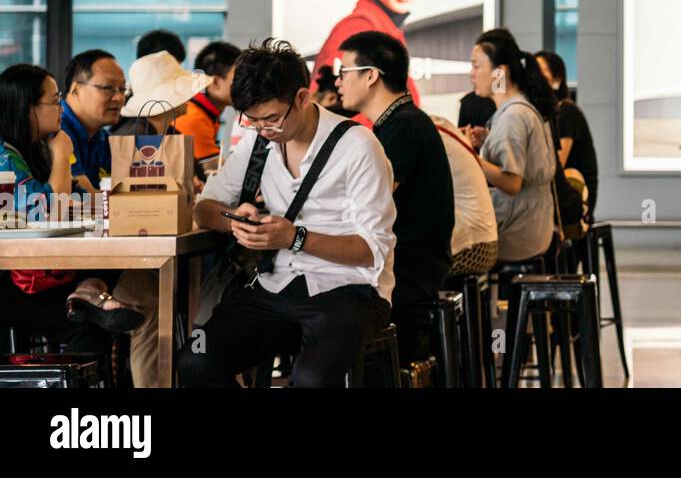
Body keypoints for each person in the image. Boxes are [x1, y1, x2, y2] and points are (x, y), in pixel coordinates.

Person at [179, 39, 396, 388]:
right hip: (275, 287)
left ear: (301, 98)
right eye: (253, 120)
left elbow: (373, 251)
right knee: (196, 359)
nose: (265, 130)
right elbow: (205, 208)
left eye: (272, 118)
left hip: (350, 291)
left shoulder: (357, 147)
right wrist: (235, 219)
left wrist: (293, 238)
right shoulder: (258, 141)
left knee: (311, 379)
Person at [0, 64, 143, 360]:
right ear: (27, 108)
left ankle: (88, 292)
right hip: (10, 282)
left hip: (41, 272)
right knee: (90, 323)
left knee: (114, 257)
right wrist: (63, 153)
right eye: (54, 101)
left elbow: (82, 202)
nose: (61, 108)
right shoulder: (4, 155)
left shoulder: (36, 150)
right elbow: (48, 213)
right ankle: (87, 294)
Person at [336, 30, 455, 362]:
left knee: (318, 305)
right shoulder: (396, 122)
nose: (338, 83)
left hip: (409, 271)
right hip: (403, 261)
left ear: (371, 75)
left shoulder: (405, 127)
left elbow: (370, 200)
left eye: (344, 72)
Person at [111, 50, 212, 387]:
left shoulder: (160, 131)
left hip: (147, 245)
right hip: (132, 250)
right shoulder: (136, 135)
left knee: (158, 303)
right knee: (151, 308)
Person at [467, 28, 557, 265]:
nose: (471, 74)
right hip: (531, 225)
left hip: (517, 233)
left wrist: (470, 157)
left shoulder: (513, 116)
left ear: (500, 73)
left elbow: (512, 183)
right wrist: (488, 140)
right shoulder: (518, 110)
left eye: (477, 66)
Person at [430, 118, 498, 278]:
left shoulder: (413, 131)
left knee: (394, 264)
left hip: (472, 245)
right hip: (484, 239)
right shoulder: (441, 125)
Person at [52, 49, 125, 195]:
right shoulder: (55, 131)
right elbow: (85, 196)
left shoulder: (104, 138)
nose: (118, 98)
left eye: (122, 89)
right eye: (108, 88)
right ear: (76, 90)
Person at [536, 50, 598, 220]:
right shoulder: (549, 113)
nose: (535, 77)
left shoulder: (565, 111)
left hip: (576, 195)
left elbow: (557, 164)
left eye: (541, 71)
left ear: (557, 80)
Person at [176, 40, 241, 177]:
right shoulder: (193, 118)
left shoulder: (203, 112)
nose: (246, 85)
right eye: (239, 79)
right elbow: (220, 177)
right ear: (215, 81)